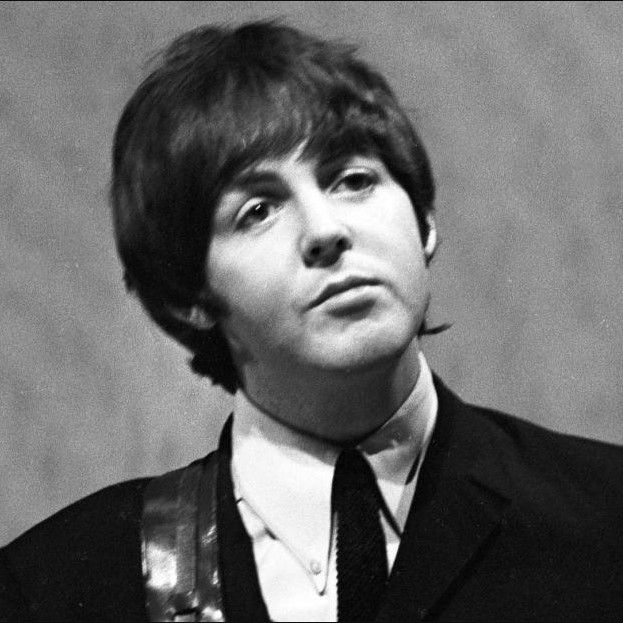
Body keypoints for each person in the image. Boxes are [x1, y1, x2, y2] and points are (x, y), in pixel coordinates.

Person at [1, 20, 621, 623]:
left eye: (353, 180)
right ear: (191, 295)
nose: (326, 230)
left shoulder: (605, 516)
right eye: (258, 211)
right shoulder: (57, 584)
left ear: (425, 221)